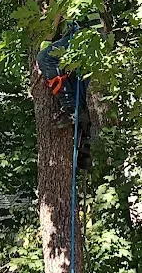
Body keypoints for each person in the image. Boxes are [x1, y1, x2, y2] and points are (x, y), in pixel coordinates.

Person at [36, 12, 106, 170]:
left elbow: (55, 7)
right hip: (97, 37)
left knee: (46, 58)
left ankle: (70, 109)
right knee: (77, 83)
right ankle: (83, 137)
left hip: (84, 35)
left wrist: (47, 40)